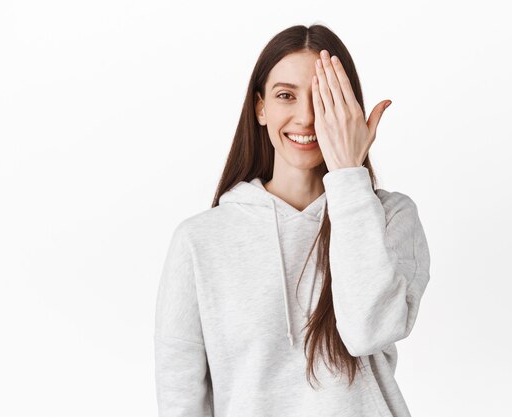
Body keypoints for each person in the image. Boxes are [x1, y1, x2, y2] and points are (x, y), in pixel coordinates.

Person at [153, 24, 431, 417]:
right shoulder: (201, 240)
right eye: (286, 95)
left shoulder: (390, 218)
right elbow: (180, 397)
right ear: (260, 107)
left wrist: (348, 177)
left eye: (323, 99)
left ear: (347, 110)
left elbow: (369, 331)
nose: (305, 117)